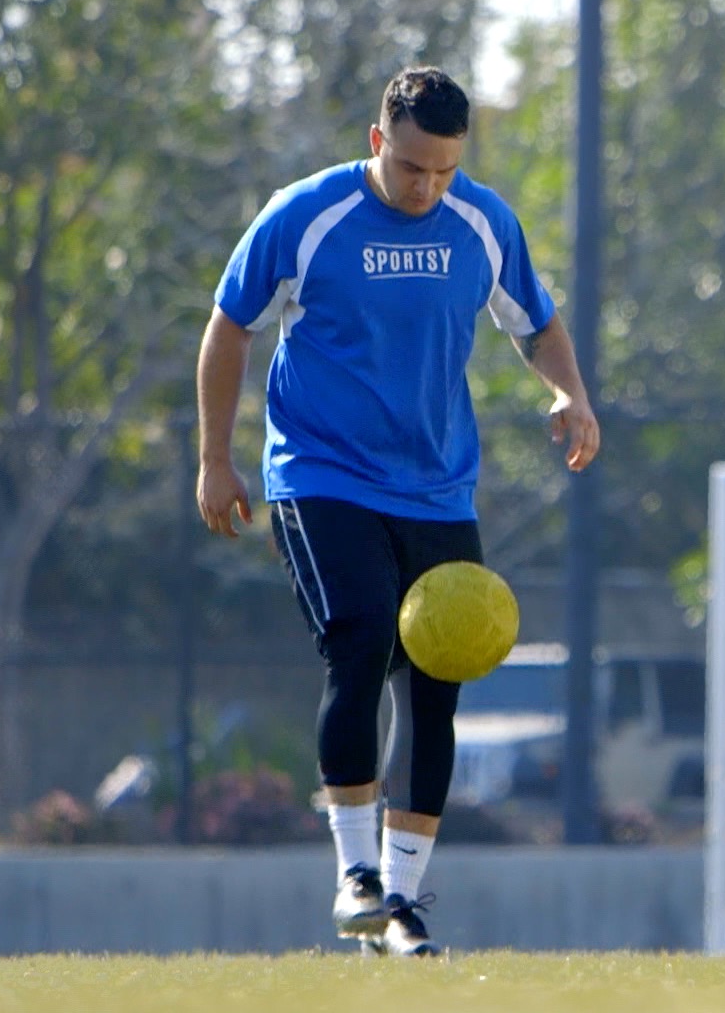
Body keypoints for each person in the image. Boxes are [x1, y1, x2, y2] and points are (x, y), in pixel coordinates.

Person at [194, 65, 599, 957]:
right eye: (414, 167)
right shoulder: (304, 216)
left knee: (434, 682)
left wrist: (569, 391)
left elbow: (534, 320)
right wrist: (215, 458)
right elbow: (230, 325)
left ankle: (402, 903)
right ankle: (355, 876)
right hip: (320, 475)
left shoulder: (483, 222)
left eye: (446, 170)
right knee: (364, 635)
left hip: (437, 485)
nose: (428, 187)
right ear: (379, 142)